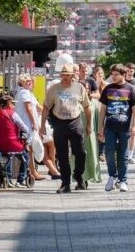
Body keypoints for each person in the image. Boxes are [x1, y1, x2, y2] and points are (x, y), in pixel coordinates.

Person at [41, 64, 93, 193]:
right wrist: (42, 125)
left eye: (67, 75)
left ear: (72, 76)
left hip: (75, 121)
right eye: (63, 75)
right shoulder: (54, 89)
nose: (65, 77)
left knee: (80, 153)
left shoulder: (79, 88)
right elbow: (46, 107)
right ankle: (65, 183)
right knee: (63, 155)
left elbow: (87, 107)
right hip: (59, 123)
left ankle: (78, 175)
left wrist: (89, 125)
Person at [98, 64, 135, 192]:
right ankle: (112, 176)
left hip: (124, 128)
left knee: (124, 154)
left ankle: (123, 180)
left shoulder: (131, 89)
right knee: (109, 152)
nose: (113, 77)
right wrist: (100, 127)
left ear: (123, 75)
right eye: (112, 74)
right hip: (110, 127)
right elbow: (103, 110)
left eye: (116, 74)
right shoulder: (108, 89)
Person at [14, 73, 46, 181]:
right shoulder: (24, 92)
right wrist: (34, 122)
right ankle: (32, 172)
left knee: (30, 148)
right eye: (26, 80)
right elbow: (28, 109)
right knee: (29, 148)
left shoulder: (26, 93)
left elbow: (37, 107)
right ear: (21, 82)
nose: (29, 82)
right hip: (27, 123)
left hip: (27, 123)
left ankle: (32, 171)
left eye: (30, 80)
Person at [0, 94, 31, 188]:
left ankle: (8, 178)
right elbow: (25, 128)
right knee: (26, 158)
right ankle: (21, 179)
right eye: (13, 103)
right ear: (9, 104)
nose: (14, 106)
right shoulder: (12, 113)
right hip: (12, 142)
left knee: (8, 156)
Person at [123, 62, 135, 163]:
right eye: (128, 71)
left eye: (132, 71)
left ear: (134, 71)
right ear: (125, 70)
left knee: (133, 133)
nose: (130, 73)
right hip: (123, 110)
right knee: (123, 133)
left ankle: (130, 155)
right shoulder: (121, 81)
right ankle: (124, 153)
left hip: (134, 110)